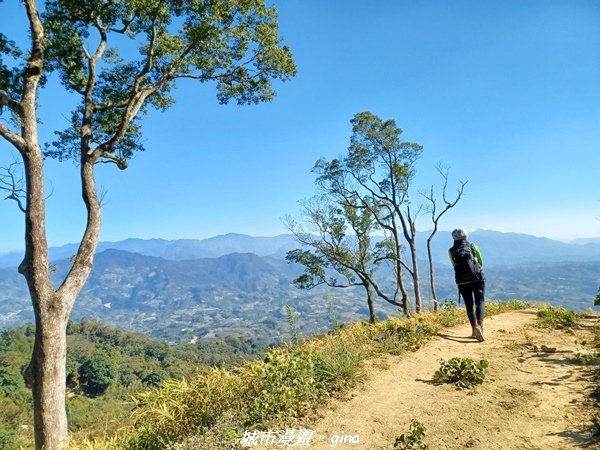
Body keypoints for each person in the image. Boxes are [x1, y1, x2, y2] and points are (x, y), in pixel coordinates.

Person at [448, 228, 485, 341]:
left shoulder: (451, 250)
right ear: (466, 236)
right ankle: (480, 327)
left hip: (462, 281)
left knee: (469, 305)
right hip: (477, 278)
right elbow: (481, 262)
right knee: (479, 302)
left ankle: (474, 330)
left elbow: (454, 264)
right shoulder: (473, 246)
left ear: (454, 238)